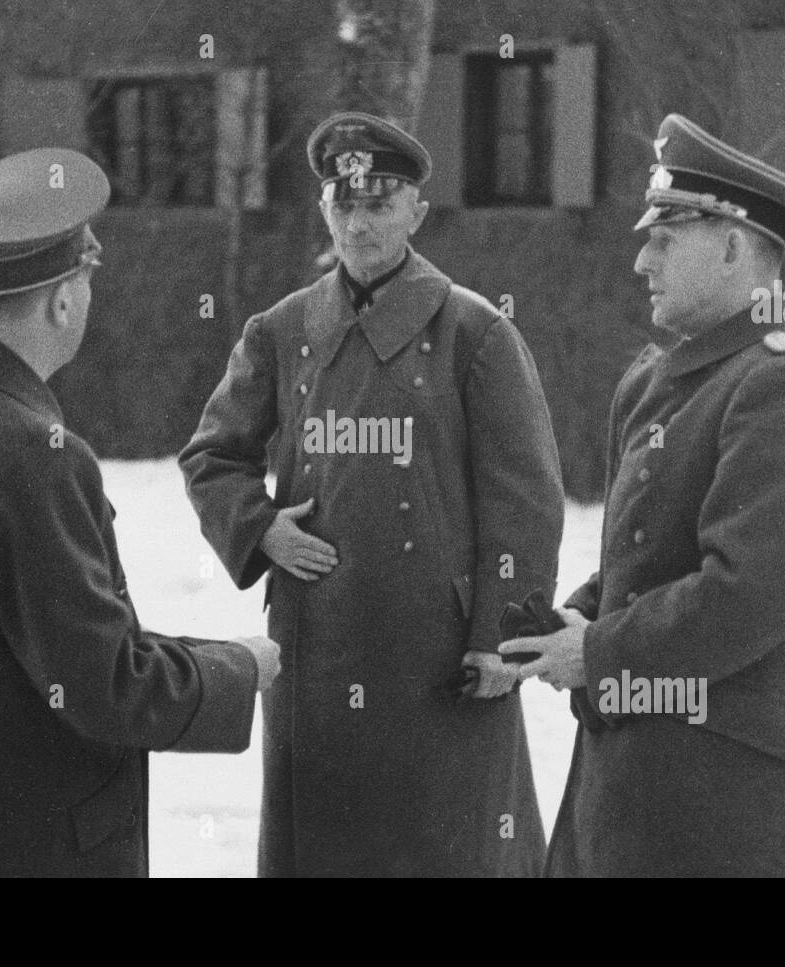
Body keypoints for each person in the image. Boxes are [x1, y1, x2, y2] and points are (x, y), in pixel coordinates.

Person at [0, 147, 279, 877]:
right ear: (62, 299)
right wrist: (236, 668)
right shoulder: (34, 453)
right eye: (86, 278)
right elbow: (102, 683)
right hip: (20, 837)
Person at [180, 112, 565, 876]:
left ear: (417, 211)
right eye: (344, 203)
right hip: (316, 650)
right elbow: (212, 456)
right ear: (325, 208)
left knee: (444, 852)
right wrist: (258, 528)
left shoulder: (474, 334)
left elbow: (525, 502)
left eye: (380, 205)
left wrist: (500, 635)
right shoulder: (281, 330)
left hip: (440, 662)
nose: (359, 224)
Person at [503, 113, 785, 877]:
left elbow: (749, 593)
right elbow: (646, 561)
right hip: (643, 779)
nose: (642, 260)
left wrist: (600, 650)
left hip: (742, 796)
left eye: (664, 240)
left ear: (732, 247)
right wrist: (572, 616)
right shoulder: (653, 381)